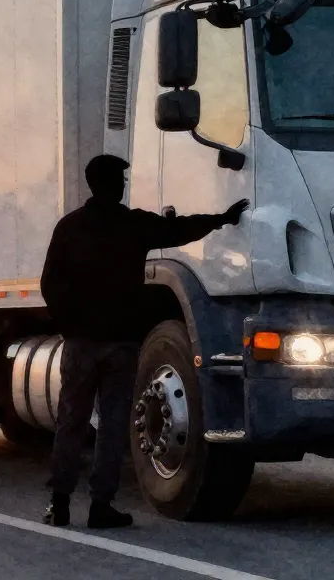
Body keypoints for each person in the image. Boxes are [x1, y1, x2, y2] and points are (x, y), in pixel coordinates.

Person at [39, 154, 248, 529]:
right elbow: (180, 230)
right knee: (113, 425)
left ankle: (60, 504)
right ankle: (101, 506)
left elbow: (50, 284)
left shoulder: (70, 227)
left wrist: (69, 326)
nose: (123, 183)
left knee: (71, 422)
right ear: (109, 183)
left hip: (81, 345)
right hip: (120, 344)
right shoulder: (131, 225)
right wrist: (224, 218)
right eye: (120, 178)